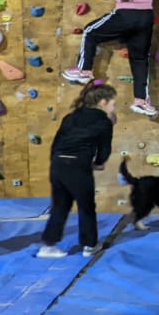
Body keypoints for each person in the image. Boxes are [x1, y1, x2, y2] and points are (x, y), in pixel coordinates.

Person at [37, 81, 117, 258]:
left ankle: (48, 245)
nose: (113, 107)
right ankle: (90, 245)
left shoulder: (70, 117)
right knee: (86, 205)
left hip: (58, 164)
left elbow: (56, 144)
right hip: (78, 165)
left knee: (60, 205)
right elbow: (104, 148)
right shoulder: (104, 122)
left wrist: (57, 163)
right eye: (112, 103)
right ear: (102, 102)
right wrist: (99, 163)